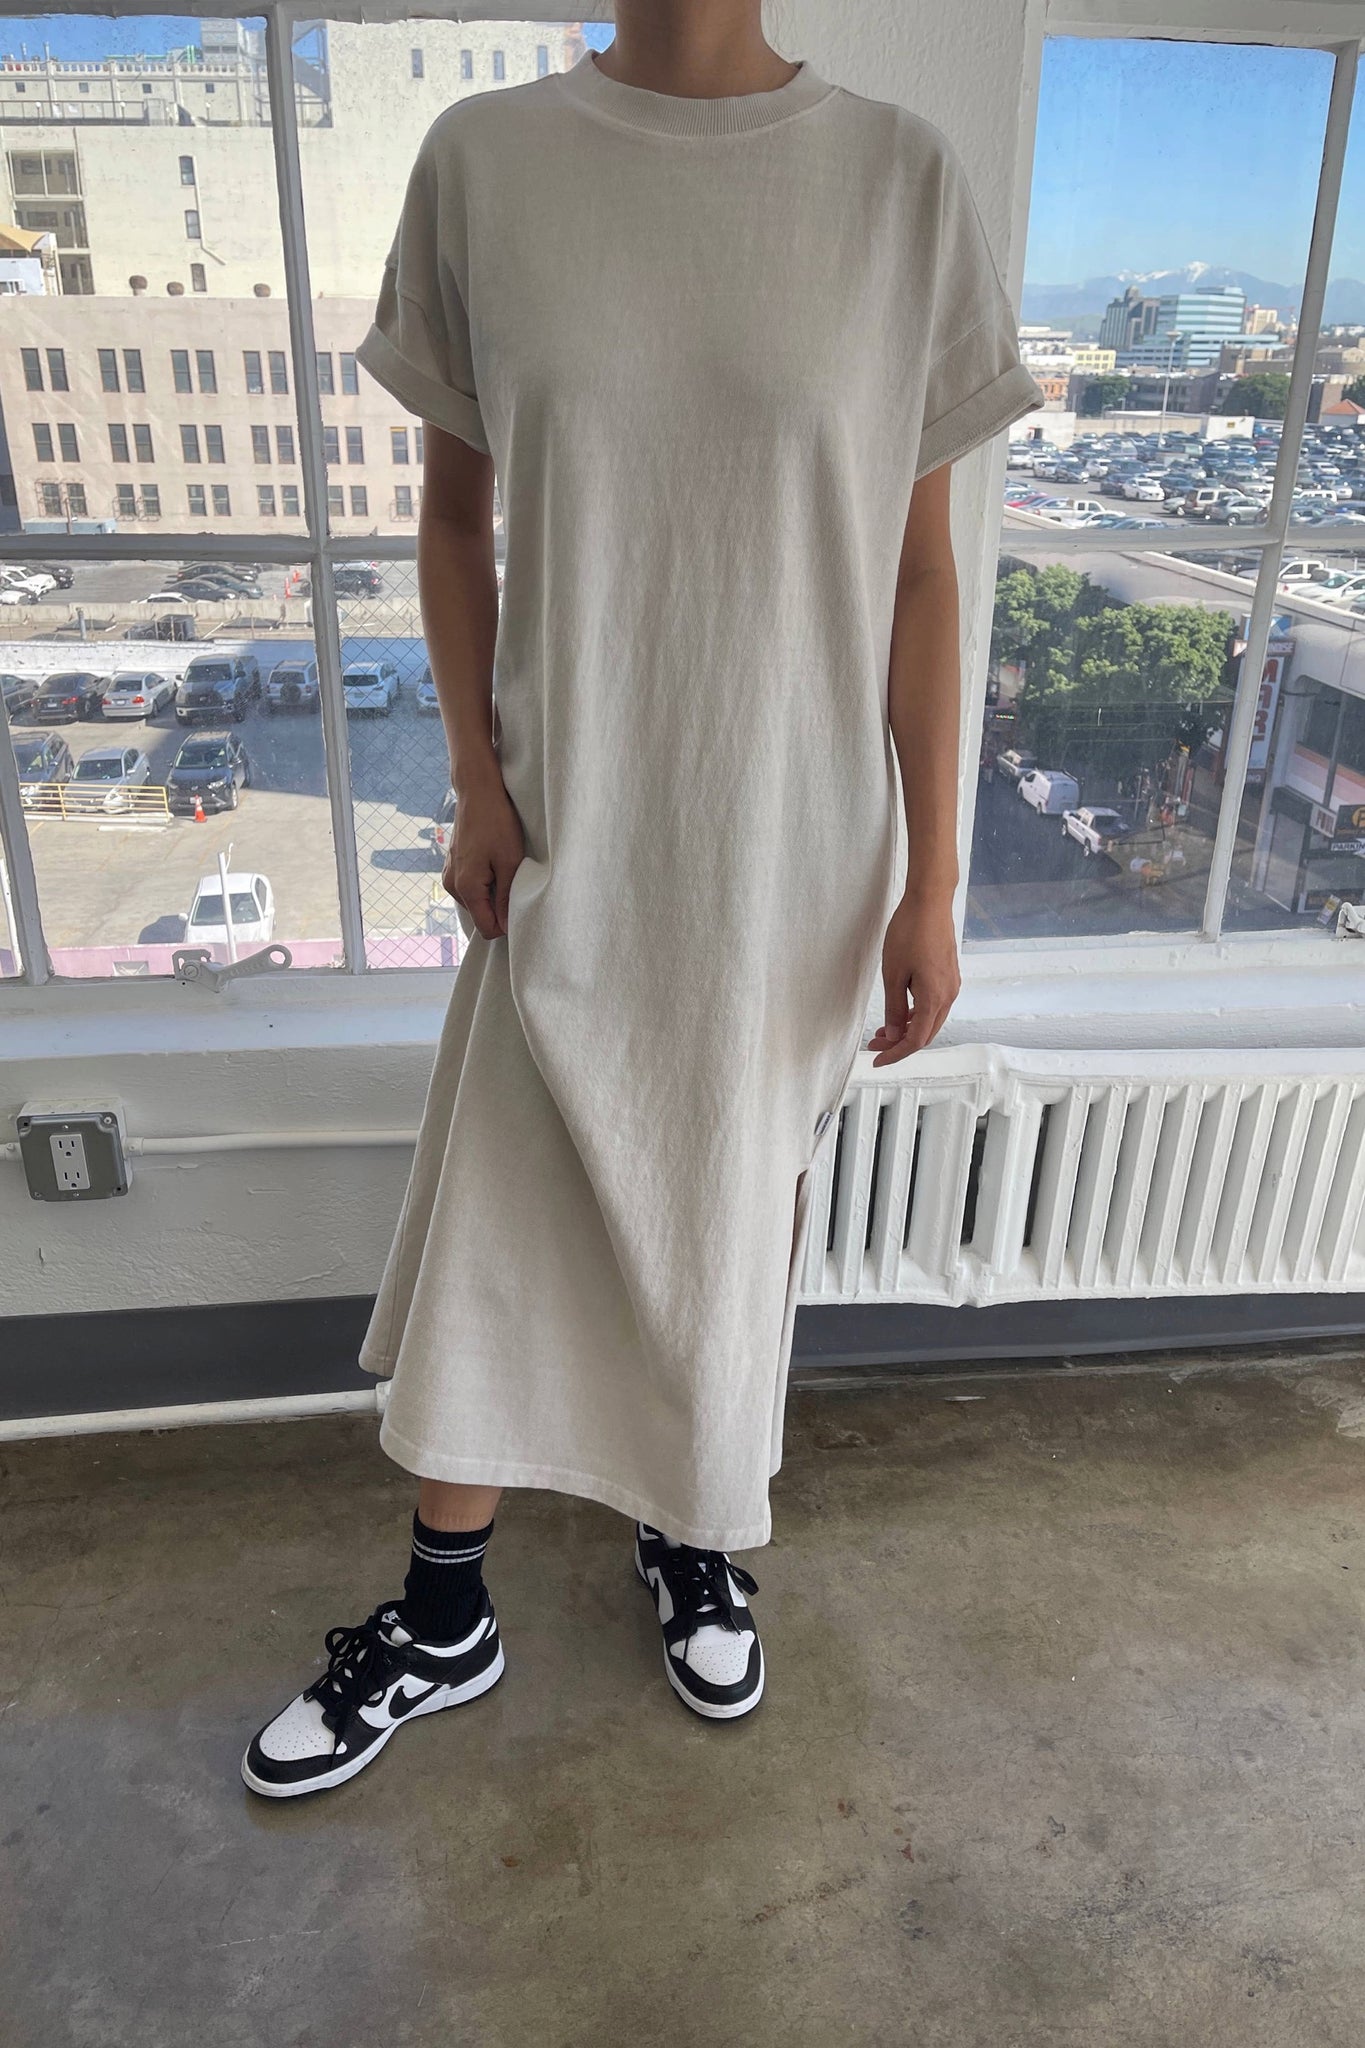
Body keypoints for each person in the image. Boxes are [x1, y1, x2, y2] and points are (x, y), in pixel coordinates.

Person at [241, 2, 1044, 1798]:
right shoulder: (488, 164)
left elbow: (920, 577)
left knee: (730, 1214)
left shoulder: (898, 183)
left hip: (789, 843)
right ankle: (443, 1614)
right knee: (505, 1206)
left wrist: (932, 881)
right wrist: (475, 781)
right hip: (574, 821)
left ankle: (694, 1534)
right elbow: (453, 521)